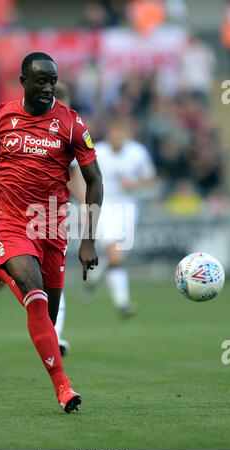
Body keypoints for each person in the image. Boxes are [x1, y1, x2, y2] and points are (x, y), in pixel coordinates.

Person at [0, 52, 103, 413]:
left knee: (47, 316)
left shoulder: (71, 123)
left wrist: (88, 240)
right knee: (34, 292)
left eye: (52, 81)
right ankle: (63, 388)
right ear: (23, 81)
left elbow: (94, 180)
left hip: (51, 225)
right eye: (40, 81)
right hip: (10, 219)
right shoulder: (1, 116)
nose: (47, 88)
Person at [0, 82, 75, 359]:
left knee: (48, 280)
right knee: (0, 280)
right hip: (10, 214)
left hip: (46, 219)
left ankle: (54, 336)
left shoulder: (65, 133)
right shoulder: (21, 127)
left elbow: (75, 177)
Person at [84, 117, 156, 316]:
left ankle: (93, 277)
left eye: (121, 135)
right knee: (115, 254)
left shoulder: (138, 152)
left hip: (128, 208)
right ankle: (123, 303)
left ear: (126, 135)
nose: (118, 139)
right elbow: (79, 175)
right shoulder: (97, 151)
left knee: (116, 256)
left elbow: (150, 178)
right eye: (114, 135)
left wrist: (134, 185)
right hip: (103, 207)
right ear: (109, 136)